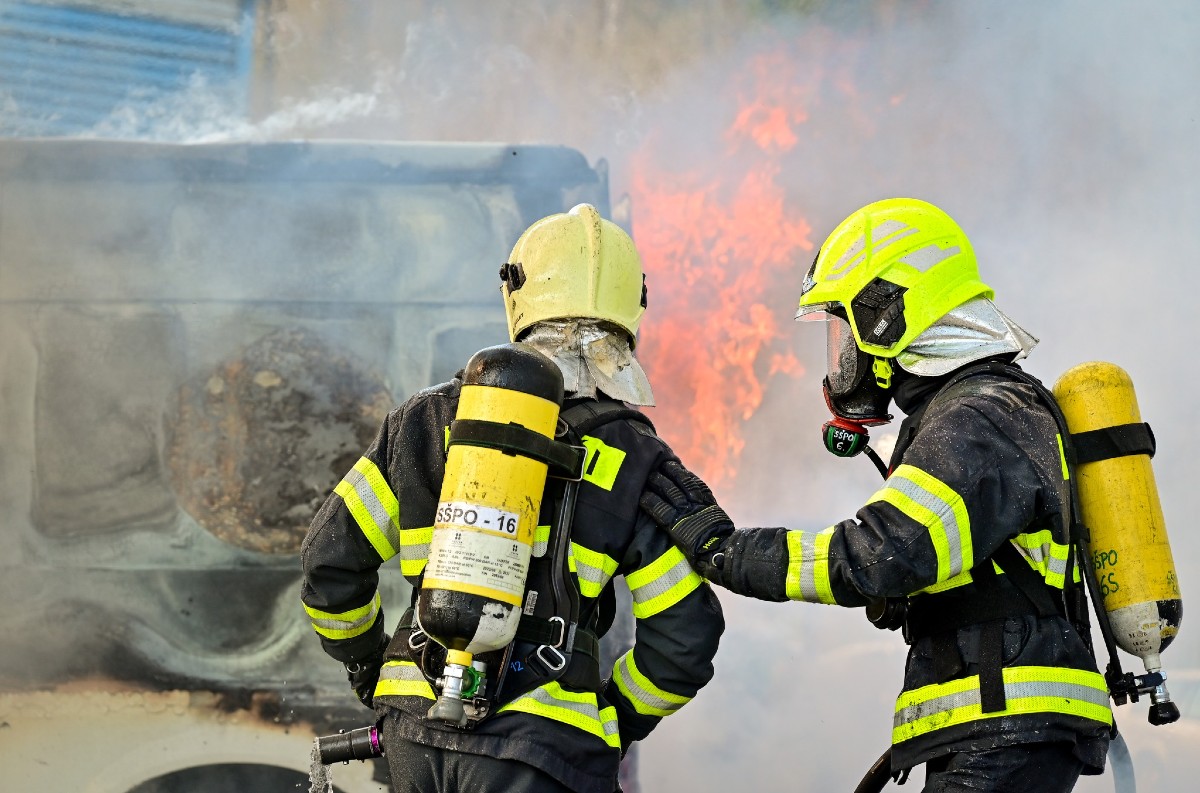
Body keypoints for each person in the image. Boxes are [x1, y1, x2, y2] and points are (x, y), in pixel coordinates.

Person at [640, 198, 1112, 793]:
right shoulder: (978, 413)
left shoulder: (979, 417)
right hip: (997, 727)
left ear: (886, 317)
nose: (842, 356)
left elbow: (881, 555)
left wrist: (725, 552)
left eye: (843, 328)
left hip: (1006, 725)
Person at [300, 203, 724, 793]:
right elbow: (686, 635)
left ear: (518, 298)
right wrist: (612, 723)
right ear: (631, 310)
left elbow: (328, 563)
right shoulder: (635, 456)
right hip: (543, 751)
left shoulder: (422, 423)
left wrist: (372, 668)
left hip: (412, 732)